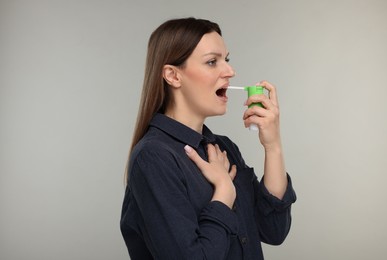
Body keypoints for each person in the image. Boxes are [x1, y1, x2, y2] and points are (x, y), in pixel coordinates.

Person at [120, 17, 296, 260]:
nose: (230, 71)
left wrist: (273, 146)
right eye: (212, 62)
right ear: (173, 76)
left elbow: (274, 231)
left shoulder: (225, 148)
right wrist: (224, 191)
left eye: (227, 60)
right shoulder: (153, 157)